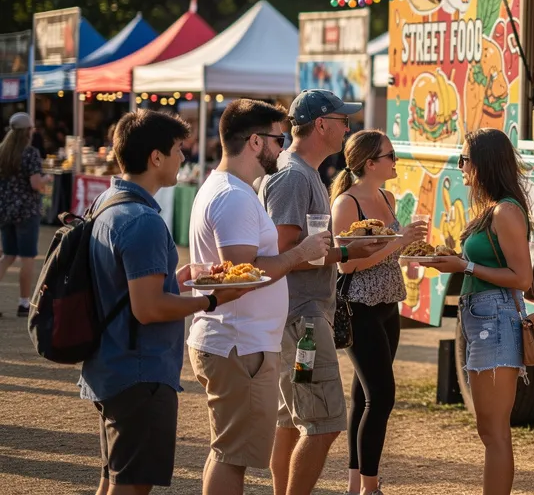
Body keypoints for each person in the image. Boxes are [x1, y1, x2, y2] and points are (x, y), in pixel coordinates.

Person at [81, 110, 258, 495]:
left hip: (112, 363)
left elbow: (125, 289)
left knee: (113, 481)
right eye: (178, 150)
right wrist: (212, 298)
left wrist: (175, 281)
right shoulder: (141, 220)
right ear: (155, 157)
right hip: (139, 372)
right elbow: (149, 309)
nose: (184, 158)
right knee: (132, 486)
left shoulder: (107, 203)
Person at [187, 99, 333, 495]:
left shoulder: (232, 189)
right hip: (238, 343)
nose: (283, 147)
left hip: (239, 342)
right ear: (255, 141)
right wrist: (299, 254)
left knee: (226, 453)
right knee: (232, 458)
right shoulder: (233, 196)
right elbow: (241, 277)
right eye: (278, 138)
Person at [260, 88, 361, 495]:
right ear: (321, 124)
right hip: (300, 320)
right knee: (324, 424)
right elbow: (281, 254)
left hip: (299, 316)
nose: (348, 128)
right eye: (343, 121)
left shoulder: (303, 171)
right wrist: (345, 251)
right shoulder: (292, 176)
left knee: (290, 419)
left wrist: (346, 249)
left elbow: (304, 248)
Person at [430, 129, 534, 495]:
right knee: (487, 429)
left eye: (464, 160)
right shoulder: (491, 208)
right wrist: (458, 262)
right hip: (481, 319)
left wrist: (465, 267)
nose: (460, 167)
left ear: (483, 164)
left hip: (496, 319)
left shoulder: (505, 211)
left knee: (495, 430)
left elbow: (522, 278)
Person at [330, 129, 428, 495]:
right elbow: (346, 267)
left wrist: (415, 251)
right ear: (370, 163)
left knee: (364, 395)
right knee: (381, 396)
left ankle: (356, 485)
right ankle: (371, 487)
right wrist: (399, 242)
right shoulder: (346, 205)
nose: (395, 161)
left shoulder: (387, 197)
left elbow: (390, 255)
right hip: (360, 308)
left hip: (389, 305)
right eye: (390, 155)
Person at [0, 112, 50, 317]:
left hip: (5, 210)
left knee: (8, 256)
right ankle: (23, 303)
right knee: (28, 257)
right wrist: (46, 179)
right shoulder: (30, 153)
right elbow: (35, 183)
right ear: (27, 131)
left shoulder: (2, 152)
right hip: (26, 212)